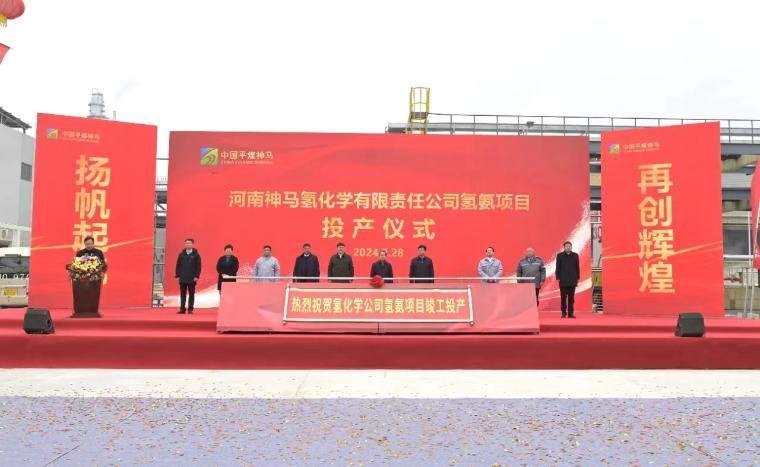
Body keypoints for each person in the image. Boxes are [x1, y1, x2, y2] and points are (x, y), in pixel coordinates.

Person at [175, 238, 201, 314]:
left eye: (189, 243)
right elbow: (178, 265)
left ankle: (190, 309)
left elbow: (198, 266)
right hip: (182, 277)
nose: (188, 244)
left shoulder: (196, 255)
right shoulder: (181, 254)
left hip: (192, 278)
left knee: (191, 294)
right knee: (182, 294)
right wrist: (177, 275)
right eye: (186, 243)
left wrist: (197, 276)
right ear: (185, 244)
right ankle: (182, 309)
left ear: (192, 244)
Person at [555, 241, 580, 318]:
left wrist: (578, 277)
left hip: (572, 279)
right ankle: (563, 312)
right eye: (566, 246)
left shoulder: (575, 255)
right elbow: (557, 267)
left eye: (569, 246)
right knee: (563, 298)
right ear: (564, 247)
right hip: (563, 280)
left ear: (571, 247)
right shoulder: (560, 255)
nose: (568, 247)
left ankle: (570, 313)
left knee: (571, 298)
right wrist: (557, 277)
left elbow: (577, 267)